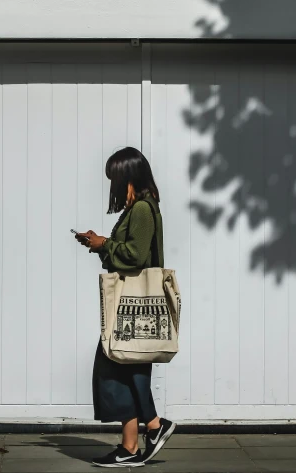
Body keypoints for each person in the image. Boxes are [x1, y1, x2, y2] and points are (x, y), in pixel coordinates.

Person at [76, 147, 176, 468]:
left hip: (135, 310)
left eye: (115, 179)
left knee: (120, 369)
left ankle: (154, 426)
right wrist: (100, 243)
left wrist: (104, 244)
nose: (112, 187)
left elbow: (134, 255)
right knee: (120, 371)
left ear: (128, 178)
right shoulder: (137, 209)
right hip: (130, 310)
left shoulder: (144, 210)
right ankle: (132, 445)